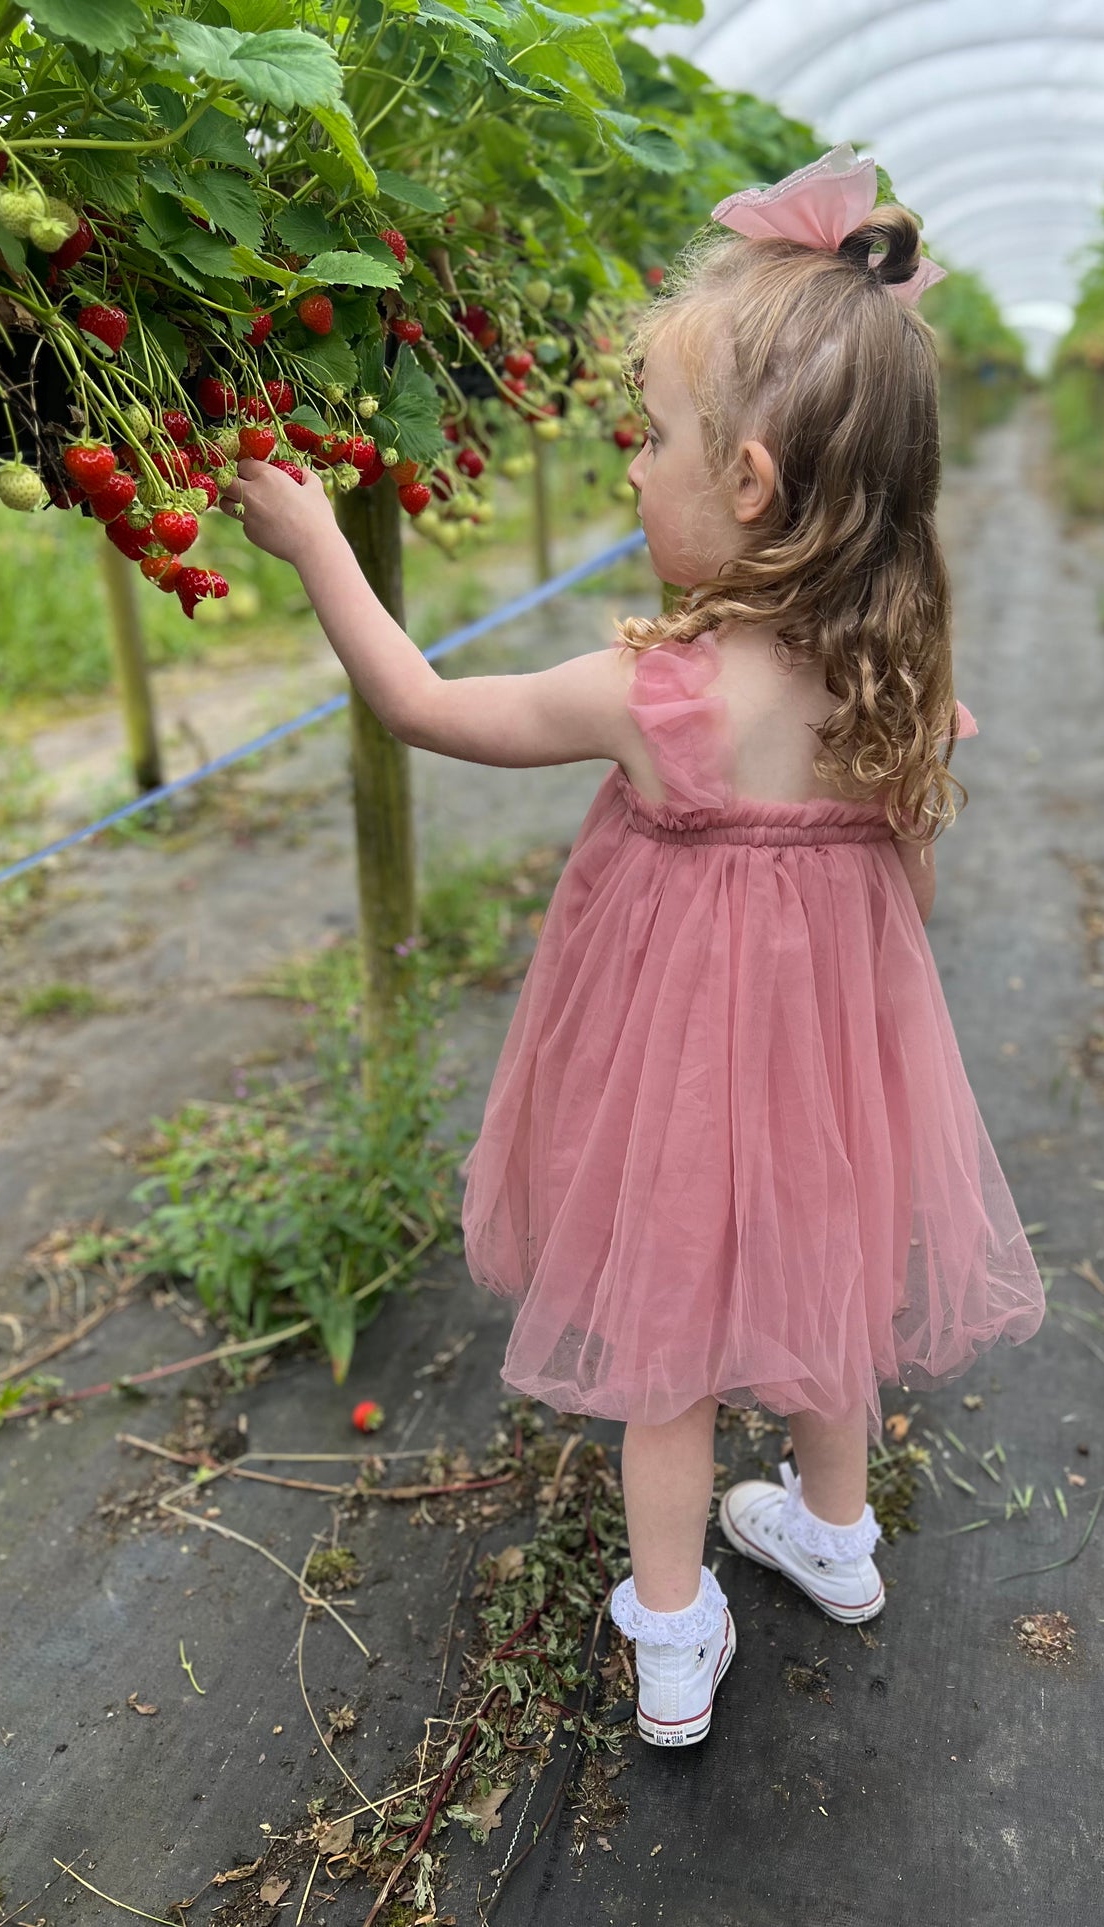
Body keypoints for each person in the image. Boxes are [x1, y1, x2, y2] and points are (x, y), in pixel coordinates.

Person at [221, 141, 1047, 1753]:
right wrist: (857, 1026)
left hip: (676, 1072)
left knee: (667, 1334)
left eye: (650, 440)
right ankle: (841, 1538)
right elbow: (911, 892)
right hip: (831, 1063)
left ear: (744, 482)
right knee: (823, 1283)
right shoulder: (893, 674)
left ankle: (673, 1634)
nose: (628, 469)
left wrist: (317, 540)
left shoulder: (652, 696)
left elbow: (421, 705)